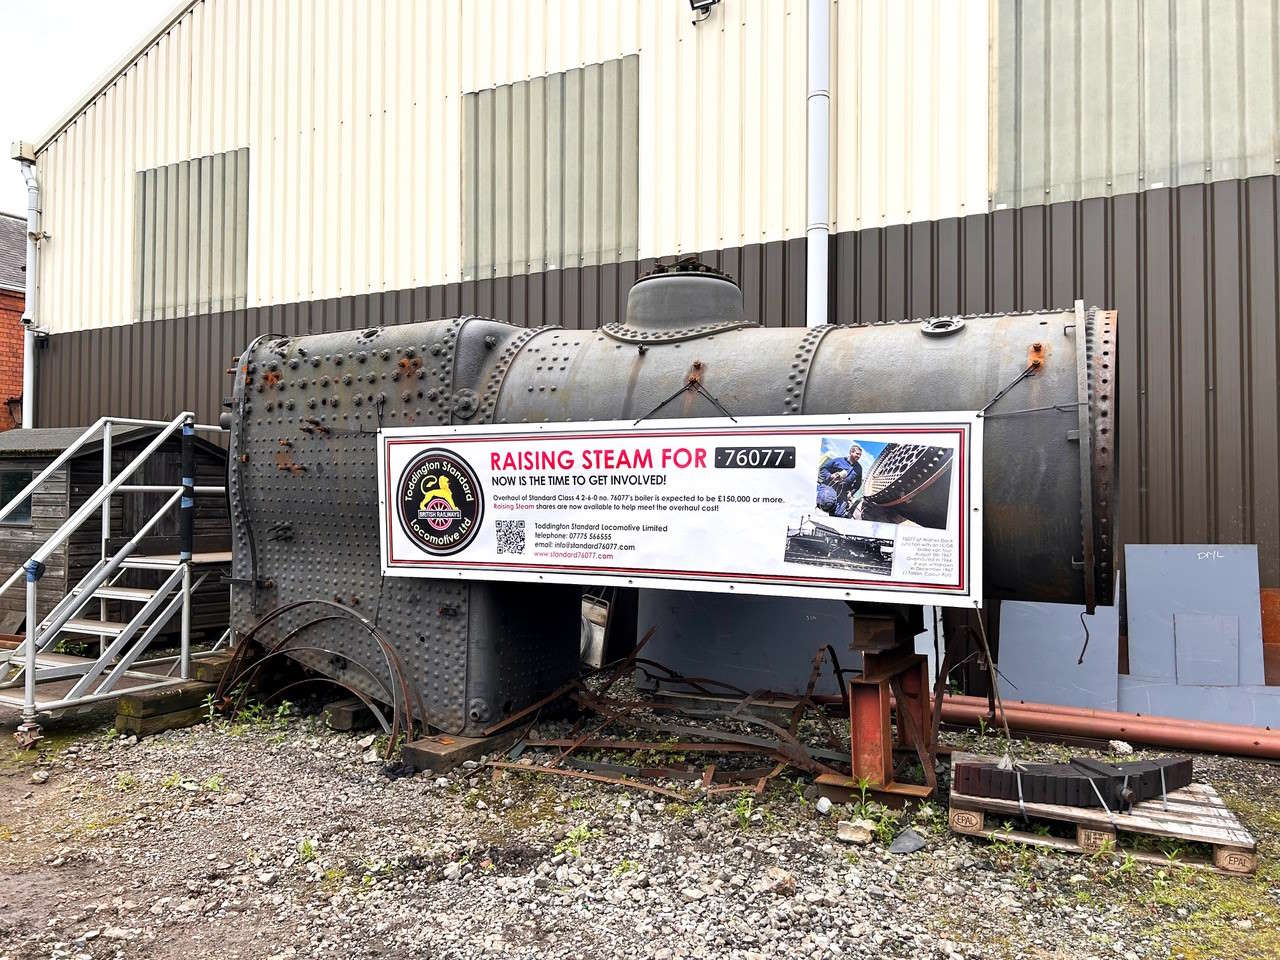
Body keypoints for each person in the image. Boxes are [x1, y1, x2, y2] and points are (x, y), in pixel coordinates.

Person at [815, 443, 863, 518]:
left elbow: (858, 484)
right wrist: (830, 476)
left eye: (860, 455)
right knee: (826, 502)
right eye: (857, 454)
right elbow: (823, 469)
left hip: (843, 492)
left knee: (839, 514)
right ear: (851, 452)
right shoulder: (838, 460)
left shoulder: (859, 469)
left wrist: (851, 492)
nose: (859, 456)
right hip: (830, 486)